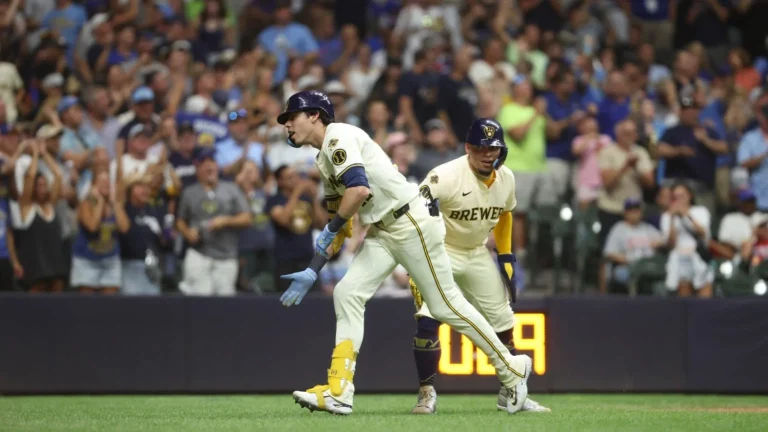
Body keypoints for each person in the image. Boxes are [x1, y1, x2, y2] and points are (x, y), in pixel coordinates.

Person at [276, 91, 532, 416]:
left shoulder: (338, 135)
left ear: (314, 115)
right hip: (382, 229)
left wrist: (332, 228)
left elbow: (357, 190)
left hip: (409, 220)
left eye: (291, 117)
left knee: (445, 304)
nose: (287, 125)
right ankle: (339, 389)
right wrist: (314, 267)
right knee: (347, 292)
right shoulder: (323, 158)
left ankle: (511, 367)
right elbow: (337, 223)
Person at [406, 118, 549, 415]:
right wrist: (414, 258)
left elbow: (507, 214)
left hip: (476, 250)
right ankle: (426, 393)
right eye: (482, 148)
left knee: (503, 321)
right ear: (468, 147)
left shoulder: (506, 177)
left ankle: (510, 390)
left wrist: (506, 257)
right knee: (428, 320)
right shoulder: (444, 175)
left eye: (494, 148)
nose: (488, 154)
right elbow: (413, 212)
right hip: (440, 250)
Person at [175, 148, 252, 296]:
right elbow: (180, 221)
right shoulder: (189, 192)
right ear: (197, 168)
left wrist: (225, 220)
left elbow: (247, 218)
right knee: (198, 298)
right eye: (204, 163)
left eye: (212, 162)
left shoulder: (231, 189)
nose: (209, 167)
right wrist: (187, 232)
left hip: (226, 255)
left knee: (224, 301)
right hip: (199, 254)